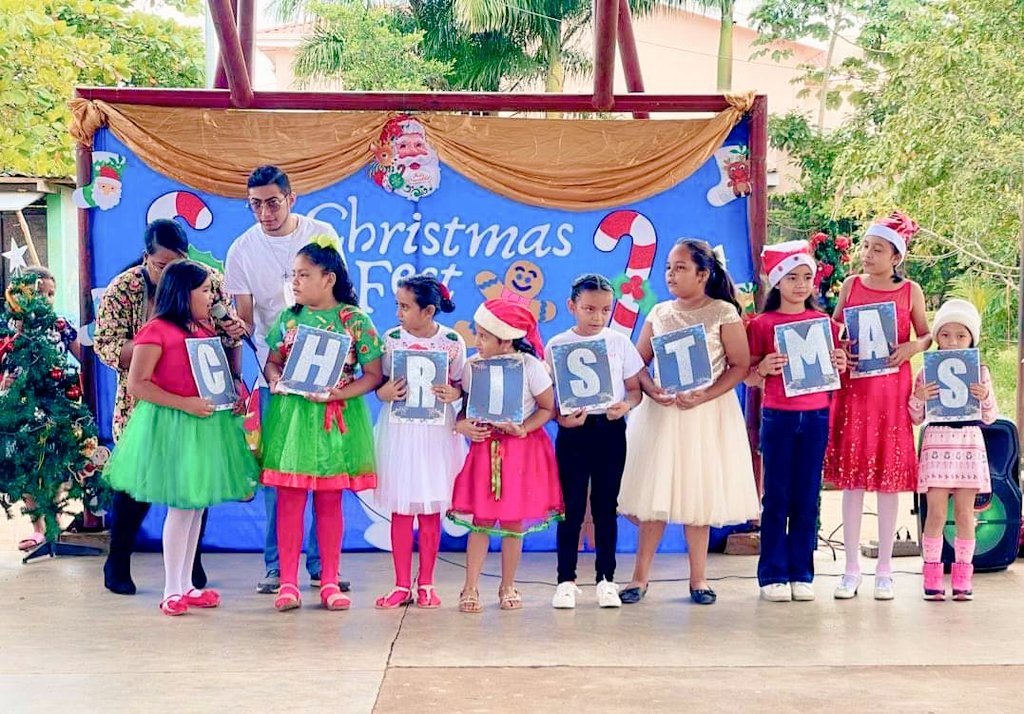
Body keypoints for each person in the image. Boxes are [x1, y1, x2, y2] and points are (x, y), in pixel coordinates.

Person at [94, 219, 242, 595]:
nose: (169, 271)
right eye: (161, 265)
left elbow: (226, 334)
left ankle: (188, 569)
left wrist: (231, 352)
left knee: (196, 482)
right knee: (136, 482)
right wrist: (159, 343)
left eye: (176, 263)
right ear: (146, 258)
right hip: (145, 406)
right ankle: (119, 558)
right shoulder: (124, 289)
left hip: (200, 402)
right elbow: (107, 345)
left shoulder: (203, 280)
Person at [617, 239, 760, 606]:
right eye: (668, 267)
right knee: (654, 498)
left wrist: (705, 395)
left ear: (703, 274)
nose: (671, 274)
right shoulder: (660, 312)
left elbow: (740, 365)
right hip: (663, 415)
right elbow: (637, 363)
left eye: (680, 267)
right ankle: (639, 578)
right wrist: (652, 390)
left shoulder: (723, 313)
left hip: (706, 415)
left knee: (699, 496)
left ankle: (699, 579)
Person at [224, 165, 345, 595]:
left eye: (272, 202)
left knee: (326, 474)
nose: (264, 212)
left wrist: (338, 366)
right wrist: (256, 371)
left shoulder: (320, 233)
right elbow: (244, 317)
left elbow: (339, 296)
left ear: (291, 199)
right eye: (255, 204)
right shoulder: (241, 249)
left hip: (326, 375)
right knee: (280, 476)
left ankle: (323, 567)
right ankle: (279, 567)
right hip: (275, 373)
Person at [260, 238, 383, 612]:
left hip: (336, 420)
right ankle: (287, 583)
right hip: (293, 420)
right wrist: (274, 380)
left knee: (330, 501)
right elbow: (272, 362)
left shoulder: (355, 321)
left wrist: (337, 395)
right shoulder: (289, 317)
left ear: (328, 278)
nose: (295, 282)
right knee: (290, 501)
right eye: (293, 275)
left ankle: (329, 580)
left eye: (304, 275)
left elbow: (374, 375)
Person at [825, 212, 931, 601]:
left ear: (896, 257)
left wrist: (911, 348)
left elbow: (926, 335)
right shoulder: (851, 286)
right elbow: (834, 328)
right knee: (853, 480)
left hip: (892, 392)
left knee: (888, 480)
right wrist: (840, 349)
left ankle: (885, 567)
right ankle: (851, 567)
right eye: (866, 246)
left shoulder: (911, 291)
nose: (868, 254)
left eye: (878, 248)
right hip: (856, 390)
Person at [745, 241, 847, 602]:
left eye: (807, 277)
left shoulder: (825, 324)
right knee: (776, 495)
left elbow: (837, 372)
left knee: (807, 494)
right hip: (778, 416)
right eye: (791, 277)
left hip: (817, 415)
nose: (801, 284)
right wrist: (762, 369)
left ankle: (802, 571)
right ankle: (772, 572)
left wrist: (839, 363)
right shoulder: (761, 324)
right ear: (776, 283)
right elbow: (747, 375)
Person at [448, 299, 562, 613]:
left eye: (484, 336)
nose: (477, 342)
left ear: (505, 339)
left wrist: (524, 428)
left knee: (513, 522)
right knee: (481, 521)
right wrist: (464, 426)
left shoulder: (529, 366)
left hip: (520, 452)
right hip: (486, 449)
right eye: (477, 334)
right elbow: (467, 407)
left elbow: (547, 407)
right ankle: (469, 586)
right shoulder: (474, 367)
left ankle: (507, 584)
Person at [546, 274, 643, 609]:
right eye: (589, 309)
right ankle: (565, 580)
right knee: (570, 507)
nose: (597, 317)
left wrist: (626, 406)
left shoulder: (619, 343)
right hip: (573, 431)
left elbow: (634, 389)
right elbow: (548, 397)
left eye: (605, 310)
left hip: (610, 429)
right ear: (572, 306)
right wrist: (559, 417)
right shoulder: (556, 344)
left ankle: (607, 579)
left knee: (606, 507)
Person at [373, 275, 467, 609]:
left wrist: (453, 394)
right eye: (397, 305)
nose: (398, 312)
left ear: (428, 310)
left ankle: (426, 582)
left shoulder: (453, 342)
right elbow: (380, 383)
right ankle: (400, 584)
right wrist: (384, 393)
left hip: (434, 433)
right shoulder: (391, 339)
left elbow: (460, 385)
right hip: (400, 432)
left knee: (429, 509)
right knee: (402, 508)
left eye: (405, 306)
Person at [910, 299, 997, 601]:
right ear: (937, 337)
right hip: (936, 446)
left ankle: (963, 575)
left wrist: (985, 396)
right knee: (934, 514)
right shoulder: (926, 372)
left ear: (972, 338)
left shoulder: (980, 371)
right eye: (945, 335)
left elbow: (990, 416)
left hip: (968, 448)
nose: (952, 341)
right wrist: (919, 397)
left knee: (964, 514)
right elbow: (916, 416)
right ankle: (932, 573)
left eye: (961, 335)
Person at [12, 267, 82, 551]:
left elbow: (82, 355)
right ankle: (38, 528)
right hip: (23, 407)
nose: (46, 299)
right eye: (39, 293)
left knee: (52, 464)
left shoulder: (60, 325)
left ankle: (53, 525)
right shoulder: (14, 326)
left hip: (57, 403)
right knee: (27, 467)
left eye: (51, 294)